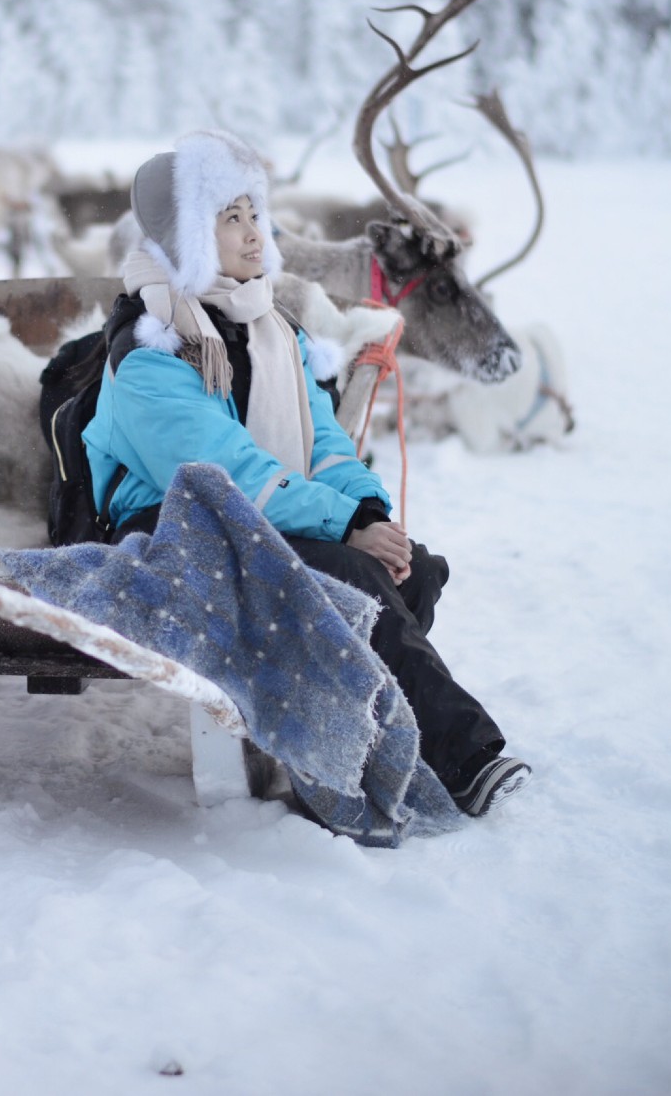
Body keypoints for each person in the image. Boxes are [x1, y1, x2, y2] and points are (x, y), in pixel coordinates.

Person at [82, 130, 530, 817]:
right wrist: (345, 528)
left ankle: (354, 723)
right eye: (228, 220)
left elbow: (323, 444)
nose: (254, 234)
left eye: (254, 213)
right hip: (177, 534)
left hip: (257, 518)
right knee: (350, 580)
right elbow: (221, 470)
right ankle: (469, 758)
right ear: (190, 240)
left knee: (417, 569)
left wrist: (369, 512)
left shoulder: (272, 327)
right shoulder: (151, 352)